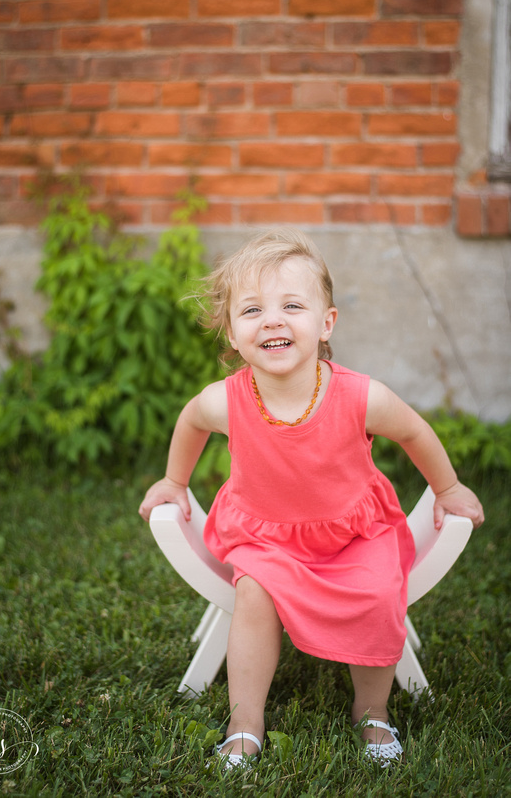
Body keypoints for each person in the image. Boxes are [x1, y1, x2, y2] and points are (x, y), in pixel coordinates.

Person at [138, 229, 484, 768]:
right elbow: (189, 422)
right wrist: (174, 482)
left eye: (291, 306)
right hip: (263, 535)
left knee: (377, 591)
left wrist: (448, 487)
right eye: (252, 310)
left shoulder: (360, 396)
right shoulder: (225, 401)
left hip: (353, 532)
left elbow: (415, 431)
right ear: (231, 331)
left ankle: (372, 711)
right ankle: (245, 722)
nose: (272, 320)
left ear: (326, 323)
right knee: (253, 593)